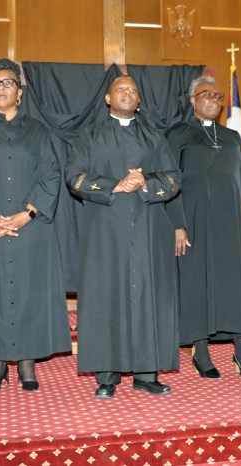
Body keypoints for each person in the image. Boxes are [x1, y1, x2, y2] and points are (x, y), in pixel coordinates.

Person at [0, 58, 71, 392]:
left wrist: (27, 213)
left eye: (8, 83)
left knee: (29, 292)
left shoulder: (37, 130)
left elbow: (51, 174)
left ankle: (27, 362)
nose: (1, 88)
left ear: (20, 92)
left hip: (30, 229)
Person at [65, 76, 181, 399]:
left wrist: (145, 183)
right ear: (107, 98)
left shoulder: (155, 136)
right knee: (107, 298)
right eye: (120, 90)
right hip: (104, 231)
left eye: (132, 90)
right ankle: (107, 375)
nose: (127, 94)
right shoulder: (89, 135)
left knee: (149, 298)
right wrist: (114, 185)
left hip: (148, 230)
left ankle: (147, 373)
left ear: (139, 101)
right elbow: (73, 176)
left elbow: (174, 177)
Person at [165, 76, 241, 379]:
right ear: (192, 101)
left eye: (218, 96)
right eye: (207, 95)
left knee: (234, 287)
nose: (214, 100)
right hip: (193, 222)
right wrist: (178, 225)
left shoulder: (232, 137)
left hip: (230, 223)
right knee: (197, 285)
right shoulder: (177, 135)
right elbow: (169, 184)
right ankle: (201, 351)